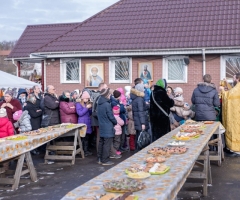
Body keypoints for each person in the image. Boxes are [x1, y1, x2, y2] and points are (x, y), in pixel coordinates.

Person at [220, 73, 240, 153]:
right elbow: (232, 91)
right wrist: (226, 83)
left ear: (238, 78)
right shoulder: (237, 87)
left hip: (236, 115)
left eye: (234, 78)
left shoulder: (238, 87)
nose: (233, 80)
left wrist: (222, 90)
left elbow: (229, 96)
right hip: (237, 113)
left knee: (235, 131)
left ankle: (236, 150)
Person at [97, 88, 117, 165]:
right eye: (109, 94)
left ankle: (99, 158)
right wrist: (115, 122)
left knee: (101, 143)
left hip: (102, 125)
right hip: (108, 126)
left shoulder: (99, 103)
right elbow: (110, 116)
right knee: (107, 144)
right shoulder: (107, 104)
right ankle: (105, 160)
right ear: (107, 95)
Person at [130, 83, 149, 149]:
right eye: (143, 89)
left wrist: (146, 106)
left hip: (137, 121)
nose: (144, 90)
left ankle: (137, 150)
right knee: (141, 139)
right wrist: (143, 123)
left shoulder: (135, 98)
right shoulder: (140, 99)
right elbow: (141, 112)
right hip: (140, 122)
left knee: (138, 138)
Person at [91, 83, 108, 152]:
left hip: (98, 118)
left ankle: (101, 152)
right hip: (98, 119)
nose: (107, 88)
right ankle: (99, 152)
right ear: (102, 88)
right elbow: (98, 109)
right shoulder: (99, 96)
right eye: (106, 87)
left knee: (100, 136)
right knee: (99, 136)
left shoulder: (98, 96)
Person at [76, 91, 92, 157]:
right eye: (86, 98)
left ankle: (86, 150)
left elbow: (89, 113)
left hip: (87, 122)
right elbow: (80, 113)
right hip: (82, 122)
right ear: (82, 98)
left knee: (87, 137)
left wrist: (90, 108)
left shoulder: (86, 104)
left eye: (88, 99)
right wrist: (86, 108)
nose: (87, 100)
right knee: (82, 137)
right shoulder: (78, 104)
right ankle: (82, 151)